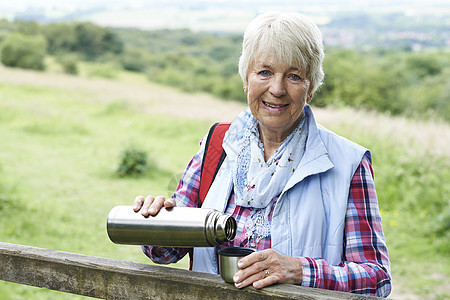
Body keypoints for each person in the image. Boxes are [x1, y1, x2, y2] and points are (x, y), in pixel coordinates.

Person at [132, 11, 391, 297]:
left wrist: (298, 270)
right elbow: (167, 253)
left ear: (311, 88)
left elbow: (376, 278)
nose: (277, 89)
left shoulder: (348, 163)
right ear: (246, 79)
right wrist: (154, 222)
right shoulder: (218, 143)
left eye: (293, 76)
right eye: (264, 72)